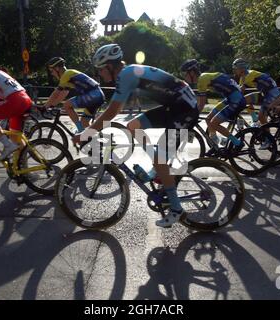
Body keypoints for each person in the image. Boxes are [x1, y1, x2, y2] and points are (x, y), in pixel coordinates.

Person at [73, 44, 200, 228]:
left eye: (100, 69)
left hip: (185, 110)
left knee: (160, 158)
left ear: (110, 66)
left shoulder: (126, 75)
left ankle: (176, 208)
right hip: (175, 106)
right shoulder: (126, 74)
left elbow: (112, 112)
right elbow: (116, 107)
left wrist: (88, 132)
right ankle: (157, 168)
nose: (99, 74)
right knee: (133, 125)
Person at [180, 59, 246, 149]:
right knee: (208, 119)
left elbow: (201, 104)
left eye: (185, 74)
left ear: (192, 72)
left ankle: (237, 143)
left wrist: (192, 116)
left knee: (214, 123)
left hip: (236, 100)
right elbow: (198, 102)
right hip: (231, 98)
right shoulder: (203, 78)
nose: (184, 77)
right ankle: (215, 146)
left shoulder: (202, 79)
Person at [44, 57, 105, 132]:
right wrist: (52, 105)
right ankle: (95, 140)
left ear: (57, 68)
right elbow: (63, 94)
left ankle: (80, 131)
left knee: (67, 105)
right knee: (84, 123)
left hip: (93, 95)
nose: (52, 73)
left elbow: (56, 93)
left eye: (52, 71)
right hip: (97, 95)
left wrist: (45, 107)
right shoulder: (69, 75)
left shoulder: (66, 75)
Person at [231, 58, 280, 148]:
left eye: (235, 68)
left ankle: (268, 140)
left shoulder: (250, 74)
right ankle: (255, 120)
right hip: (264, 92)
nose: (234, 70)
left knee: (261, 115)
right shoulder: (242, 78)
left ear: (241, 68)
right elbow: (240, 94)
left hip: (272, 92)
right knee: (244, 100)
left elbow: (240, 91)